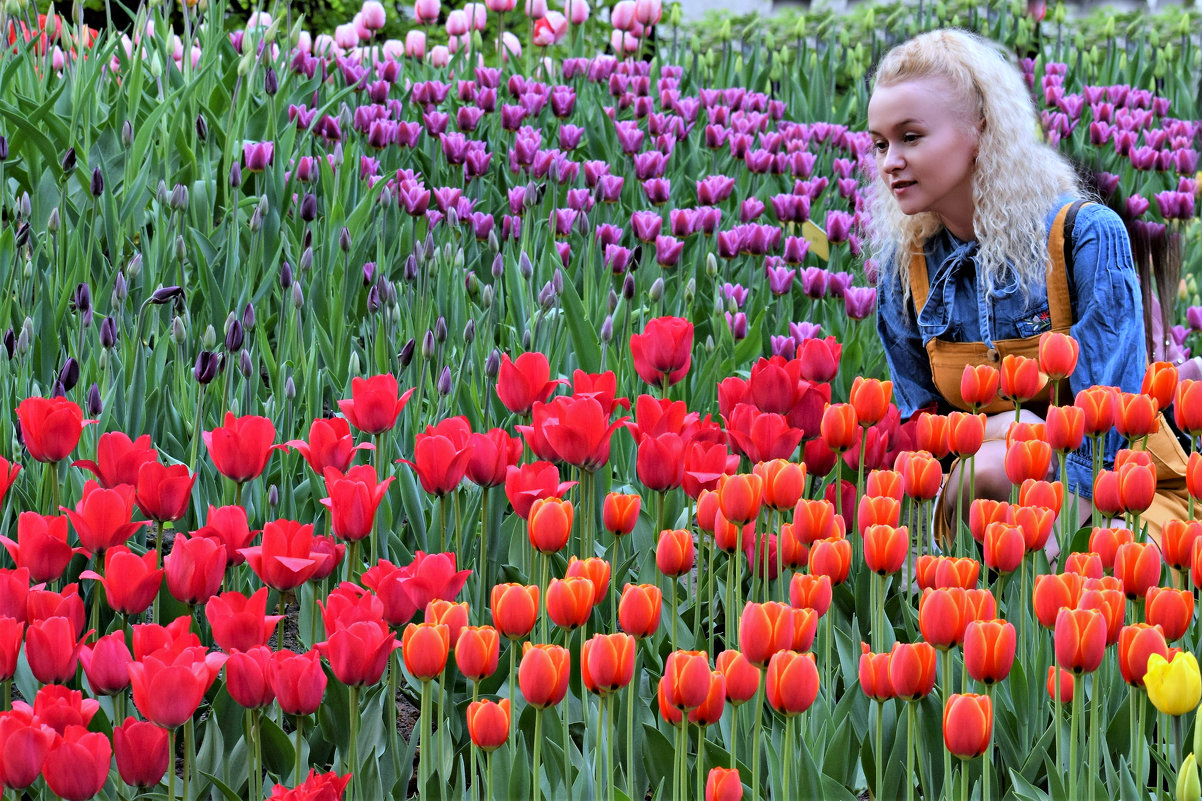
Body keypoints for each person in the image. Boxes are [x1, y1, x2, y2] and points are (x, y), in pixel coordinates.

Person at [865, 29, 1147, 547]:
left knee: (992, 469)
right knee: (985, 470)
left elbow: (1111, 420)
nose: (889, 162)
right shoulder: (906, 271)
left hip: (1108, 500)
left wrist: (1021, 457)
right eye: (880, 143)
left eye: (910, 137)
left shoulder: (1081, 237)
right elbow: (924, 430)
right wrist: (1008, 434)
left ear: (981, 129)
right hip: (973, 514)